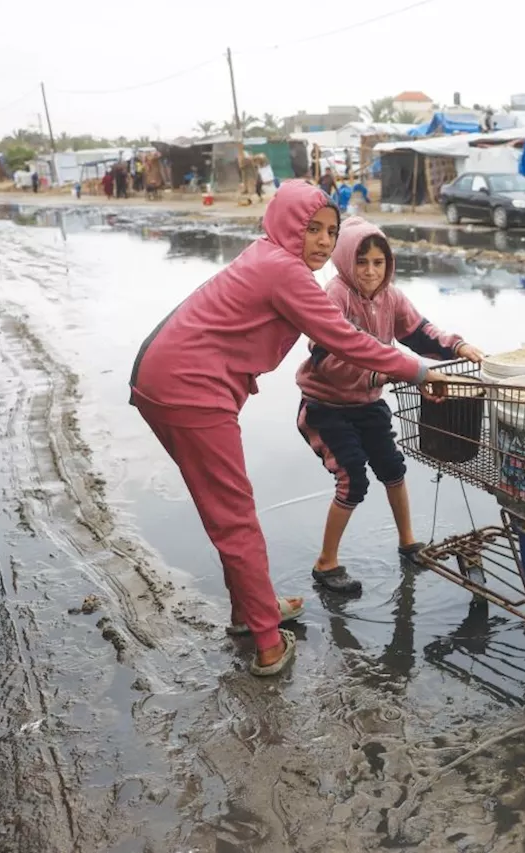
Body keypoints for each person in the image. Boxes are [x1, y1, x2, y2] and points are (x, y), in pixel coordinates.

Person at [129, 182, 451, 676]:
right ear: (287, 225)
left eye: (330, 231)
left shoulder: (268, 258)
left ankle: (251, 611)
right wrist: (420, 371)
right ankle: (268, 643)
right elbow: (347, 340)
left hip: (166, 378)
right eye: (312, 229)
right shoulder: (285, 270)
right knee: (234, 515)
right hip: (188, 388)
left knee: (225, 510)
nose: (323, 241)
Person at [295, 218, 483, 595]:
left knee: (393, 469)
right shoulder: (333, 296)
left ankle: (408, 542)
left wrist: (458, 347)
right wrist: (396, 375)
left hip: (368, 403)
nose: (369, 271)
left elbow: (419, 331)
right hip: (326, 406)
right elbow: (330, 363)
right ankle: (326, 563)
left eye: (378, 263)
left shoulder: (390, 296)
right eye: (361, 262)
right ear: (346, 260)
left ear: (388, 265)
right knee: (353, 478)